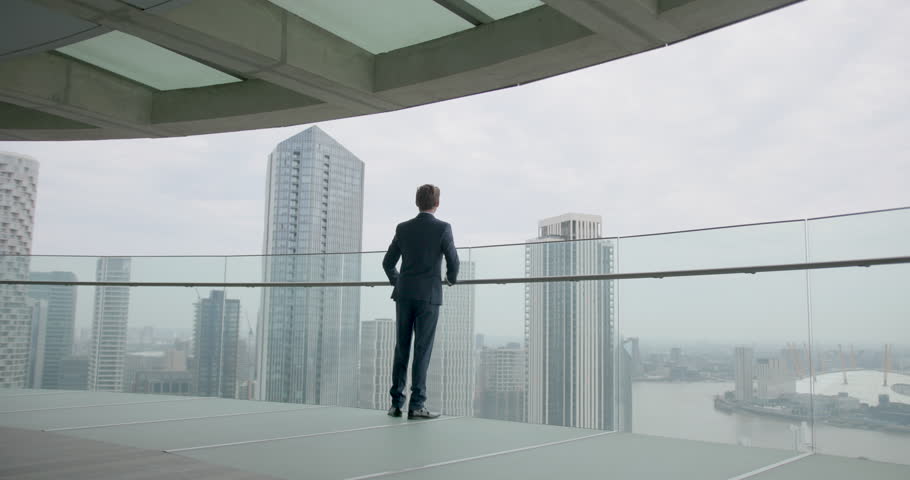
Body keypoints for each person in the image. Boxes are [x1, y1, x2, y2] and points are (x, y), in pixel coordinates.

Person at [382, 184, 459, 419]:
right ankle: (416, 405)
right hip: (429, 296)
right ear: (437, 203)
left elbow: (387, 263)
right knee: (422, 350)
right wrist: (450, 280)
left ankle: (396, 404)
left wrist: (398, 282)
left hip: (404, 295)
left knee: (401, 348)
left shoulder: (403, 228)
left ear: (417, 202)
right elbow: (454, 262)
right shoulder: (443, 228)